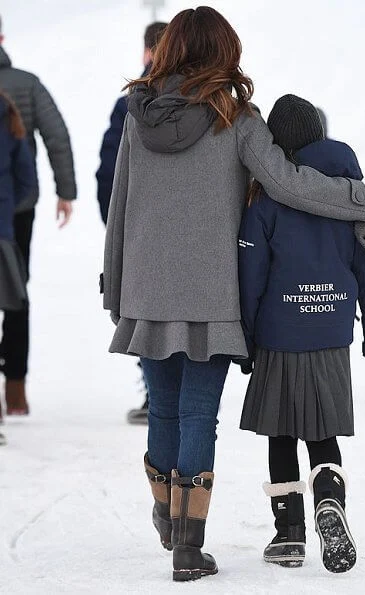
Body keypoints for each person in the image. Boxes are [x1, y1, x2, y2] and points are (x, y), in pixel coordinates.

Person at [102, 7, 365, 582]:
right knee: (198, 413)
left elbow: (119, 206)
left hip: (148, 287)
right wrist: (360, 200)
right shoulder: (237, 118)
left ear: (172, 48)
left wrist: (116, 286)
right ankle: (188, 545)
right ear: (224, 50)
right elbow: (287, 184)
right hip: (211, 289)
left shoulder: (138, 116)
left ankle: (166, 509)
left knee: (163, 405)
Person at [238, 95, 365, 572]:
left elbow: (251, 278)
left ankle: (289, 534)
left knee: (281, 435)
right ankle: (329, 498)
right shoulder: (347, 197)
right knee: (323, 435)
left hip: (278, 337)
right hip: (330, 336)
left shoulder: (265, 205)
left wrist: (244, 340)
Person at [0, 16, 77, 414]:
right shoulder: (27, 83)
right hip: (16, 208)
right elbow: (56, 135)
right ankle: (15, 389)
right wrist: (66, 191)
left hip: (13, 205)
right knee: (15, 291)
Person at [96, 21, 168, 426]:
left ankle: (154, 390)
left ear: (146, 52)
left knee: (140, 309)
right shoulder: (204, 99)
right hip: (189, 232)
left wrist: (114, 223)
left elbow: (109, 170)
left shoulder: (129, 104)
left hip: (137, 227)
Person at [0, 90, 36, 431]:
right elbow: (27, 180)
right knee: (12, 307)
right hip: (3, 235)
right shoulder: (9, 118)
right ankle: (14, 396)